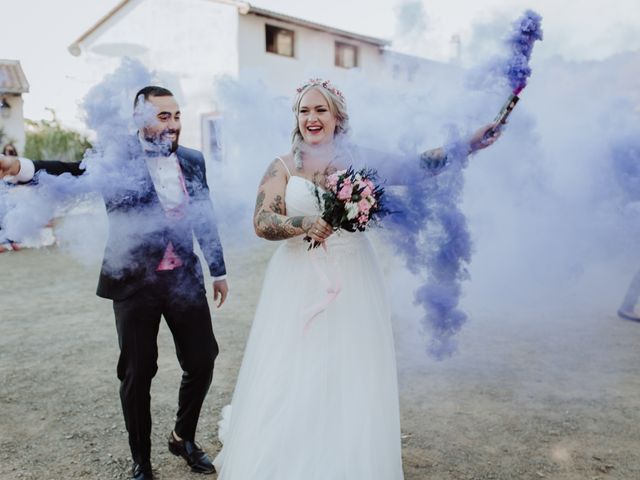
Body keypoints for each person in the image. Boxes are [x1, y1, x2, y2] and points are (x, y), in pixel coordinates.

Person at [212, 79, 499, 479]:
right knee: (294, 367)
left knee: (351, 367)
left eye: (320, 110)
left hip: (354, 275)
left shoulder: (359, 160)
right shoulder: (281, 166)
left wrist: (468, 142)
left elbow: (416, 168)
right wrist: (304, 222)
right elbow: (262, 221)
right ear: (296, 118)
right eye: (304, 110)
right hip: (296, 280)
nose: (311, 118)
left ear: (337, 118)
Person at [0, 86, 229, 480]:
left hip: (184, 279)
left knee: (203, 359)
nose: (174, 125)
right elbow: (70, 171)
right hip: (133, 282)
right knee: (138, 373)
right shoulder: (116, 159)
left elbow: (204, 215)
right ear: (140, 118)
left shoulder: (193, 159)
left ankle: (182, 437)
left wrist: (218, 269)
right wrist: (20, 166)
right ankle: (141, 460)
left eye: (177, 116)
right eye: (164, 116)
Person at [0, 143, 22, 252]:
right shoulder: (1, 160)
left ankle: (14, 241)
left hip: (12, 193)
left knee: (13, 217)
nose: (9, 153)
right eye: (7, 151)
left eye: (11, 151)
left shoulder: (18, 162)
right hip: (2, 192)